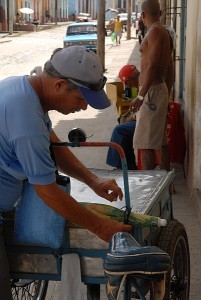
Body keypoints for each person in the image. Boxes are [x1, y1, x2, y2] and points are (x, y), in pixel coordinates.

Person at [0, 46, 132, 299]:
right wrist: (101, 227)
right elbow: (48, 192)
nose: (83, 108)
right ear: (60, 85)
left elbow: (52, 144)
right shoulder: (26, 119)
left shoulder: (24, 90)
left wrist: (92, 180)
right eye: (81, 99)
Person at [129, 0, 172, 171]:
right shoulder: (165, 33)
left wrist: (140, 96)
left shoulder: (154, 32)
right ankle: (166, 184)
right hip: (158, 90)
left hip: (151, 92)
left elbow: (153, 66)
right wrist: (167, 94)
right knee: (160, 141)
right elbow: (170, 69)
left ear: (143, 15)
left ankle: (149, 189)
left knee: (145, 144)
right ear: (160, 13)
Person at [106, 65, 140, 170]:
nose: (128, 86)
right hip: (142, 117)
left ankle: (119, 165)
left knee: (119, 130)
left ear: (131, 79)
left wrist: (134, 117)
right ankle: (127, 165)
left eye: (127, 83)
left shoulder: (144, 86)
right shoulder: (141, 84)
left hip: (146, 121)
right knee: (122, 121)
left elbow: (146, 108)